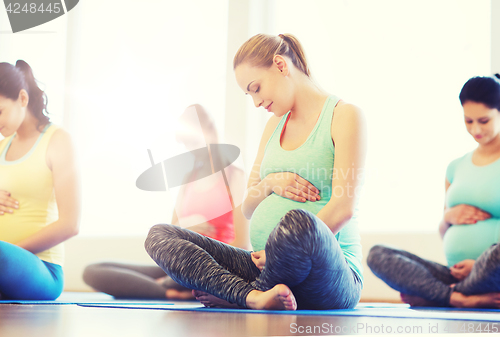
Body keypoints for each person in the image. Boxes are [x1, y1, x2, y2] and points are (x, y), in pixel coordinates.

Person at [145, 33, 367, 310]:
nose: (256, 102)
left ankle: (234, 294)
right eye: (248, 94)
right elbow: (248, 206)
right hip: (263, 265)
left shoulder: (344, 116)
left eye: (256, 88)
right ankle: (254, 296)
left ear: (281, 65)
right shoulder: (273, 127)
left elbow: (343, 208)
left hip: (329, 274)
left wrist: (278, 251)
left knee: (299, 223)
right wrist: (272, 182)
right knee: (161, 234)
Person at [83, 104, 251, 300]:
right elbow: (169, 232)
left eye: (193, 142)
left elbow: (242, 246)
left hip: (211, 267)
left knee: (178, 274)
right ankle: (171, 291)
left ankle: (163, 288)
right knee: (93, 271)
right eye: (186, 144)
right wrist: (188, 229)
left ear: (210, 133)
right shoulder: (188, 178)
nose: (191, 150)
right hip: (178, 263)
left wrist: (205, 244)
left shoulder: (235, 176)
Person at [367, 75, 500, 309]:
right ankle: (459, 297)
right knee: (377, 255)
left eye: (484, 120)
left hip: (493, 268)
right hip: (454, 273)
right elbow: (444, 232)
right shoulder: (455, 167)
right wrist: (448, 217)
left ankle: (439, 297)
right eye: (468, 121)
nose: (475, 129)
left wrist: (478, 264)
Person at [0, 60, 80, 300]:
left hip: (42, 268)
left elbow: (70, 224)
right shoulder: (1, 147)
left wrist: (12, 252)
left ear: (22, 99)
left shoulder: (58, 140)